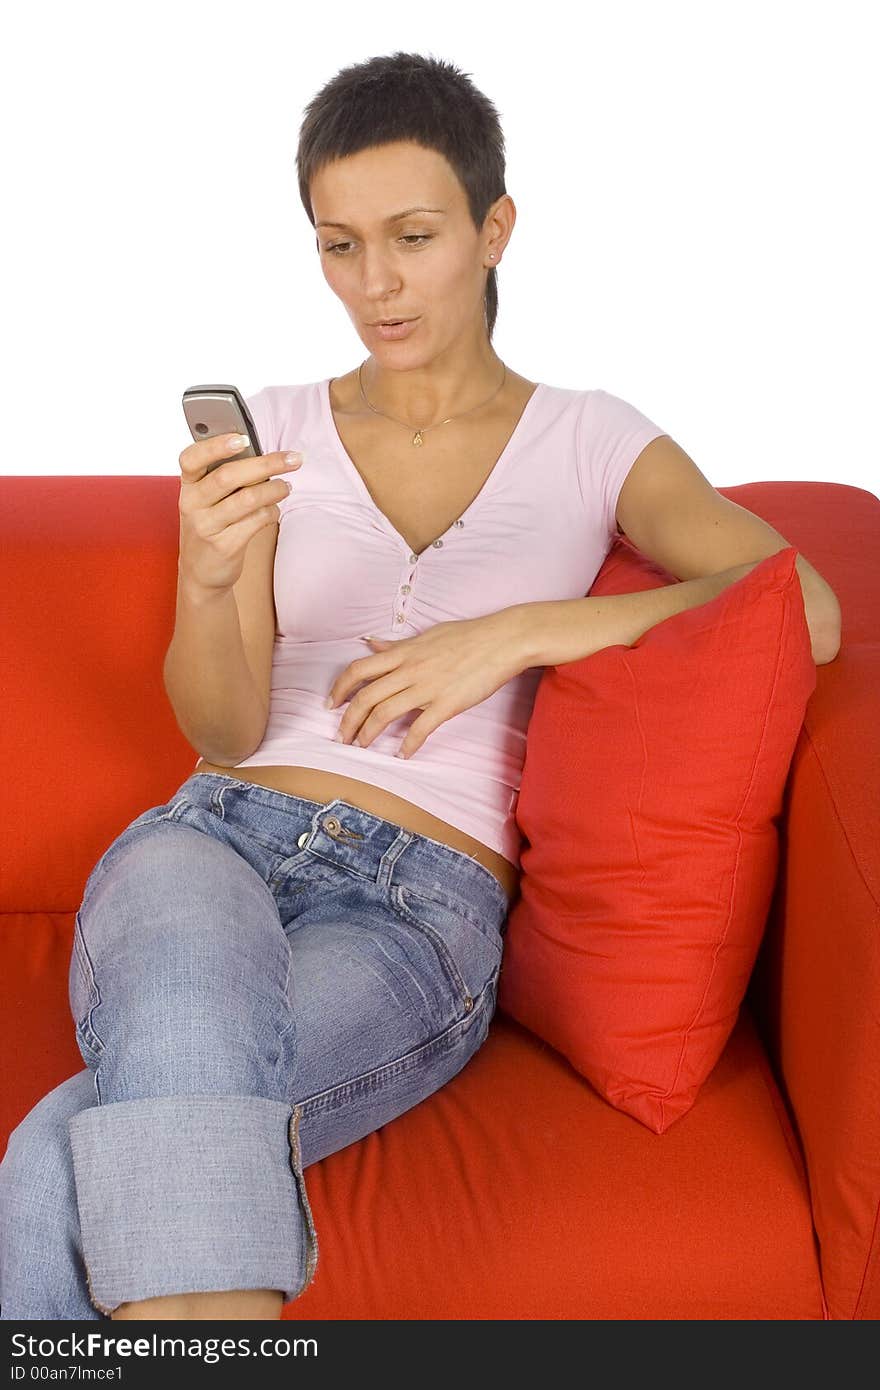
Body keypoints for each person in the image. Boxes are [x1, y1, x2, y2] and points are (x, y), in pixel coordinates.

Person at [0, 51, 668, 1321]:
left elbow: (797, 606)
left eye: (412, 237)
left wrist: (519, 632)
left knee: (54, 1157)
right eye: (338, 244)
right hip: (213, 841)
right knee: (138, 1097)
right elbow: (220, 725)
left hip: (420, 905)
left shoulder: (594, 438)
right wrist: (207, 574)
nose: (375, 284)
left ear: (493, 227)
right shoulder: (274, 425)